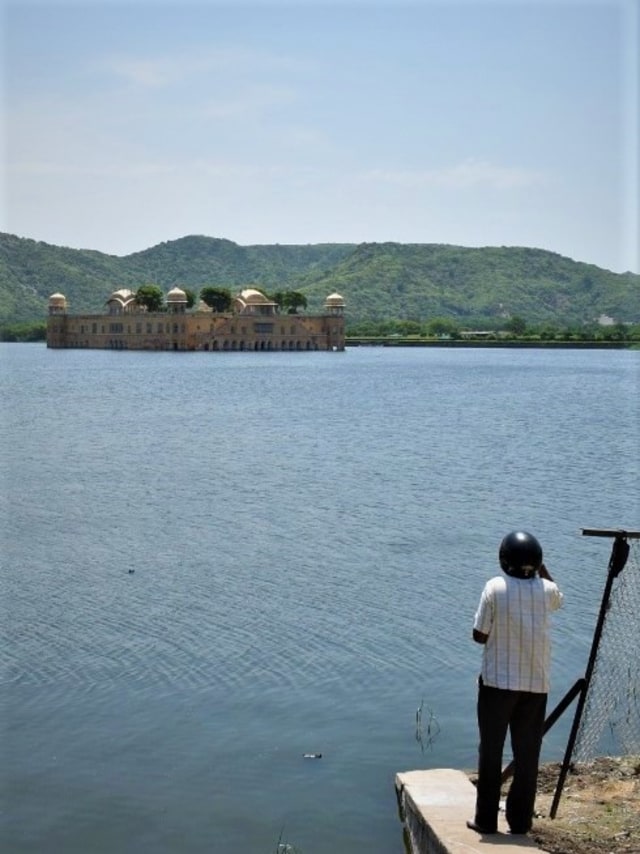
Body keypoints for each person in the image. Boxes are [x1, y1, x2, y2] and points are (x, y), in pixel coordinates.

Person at [467, 530, 563, 836]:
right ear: (537, 562)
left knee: (491, 751)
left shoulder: (495, 587)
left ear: (504, 559)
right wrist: (541, 568)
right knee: (527, 755)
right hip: (535, 686)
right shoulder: (547, 591)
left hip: (497, 684)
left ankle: (486, 820)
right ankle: (520, 824)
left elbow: (479, 635)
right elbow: (557, 593)